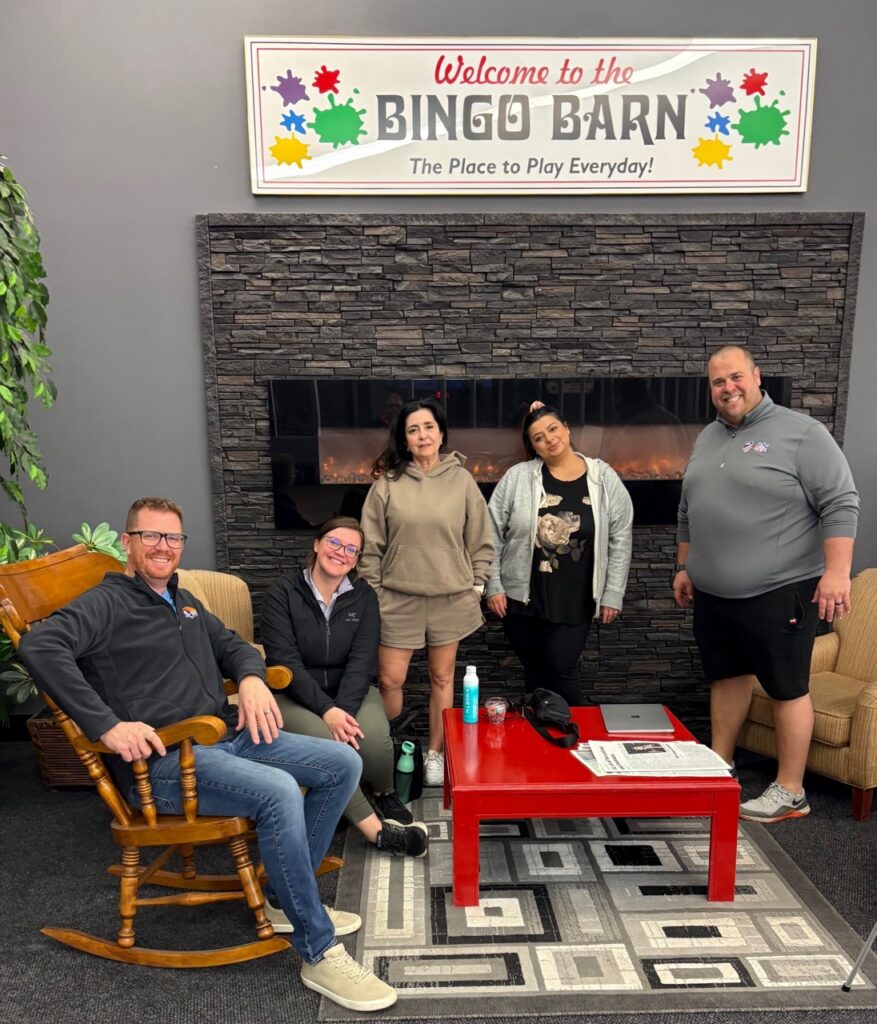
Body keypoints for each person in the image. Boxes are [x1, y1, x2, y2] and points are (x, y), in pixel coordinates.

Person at [18, 497, 397, 1013]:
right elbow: (40, 648)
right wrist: (105, 725)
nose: (163, 547)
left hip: (225, 737)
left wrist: (251, 678)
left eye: (173, 538)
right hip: (167, 762)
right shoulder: (106, 603)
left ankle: (286, 898)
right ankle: (318, 950)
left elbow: (236, 645)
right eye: (150, 536)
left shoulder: (184, 599)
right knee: (281, 790)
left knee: (343, 763)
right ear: (127, 543)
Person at [673, 346, 859, 824]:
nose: (728, 388)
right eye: (718, 382)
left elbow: (840, 503)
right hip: (714, 594)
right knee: (727, 677)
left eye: (735, 377)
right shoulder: (709, 437)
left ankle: (791, 790)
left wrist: (837, 573)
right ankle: (720, 764)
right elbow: (688, 509)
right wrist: (684, 566)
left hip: (780, 591)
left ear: (756, 377)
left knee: (786, 687)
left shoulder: (802, 433)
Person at [260, 516, 428, 858]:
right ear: (317, 544)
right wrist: (327, 711)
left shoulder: (364, 597)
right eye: (335, 543)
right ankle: (376, 830)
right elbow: (285, 663)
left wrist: (343, 711)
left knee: (376, 744)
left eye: (352, 549)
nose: (342, 553)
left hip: (350, 691)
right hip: (296, 694)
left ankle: (383, 791)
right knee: (330, 748)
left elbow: (363, 660)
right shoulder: (281, 593)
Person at [358, 399, 494, 787]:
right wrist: (376, 591)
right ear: (404, 437)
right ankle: (387, 747)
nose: (423, 435)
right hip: (398, 599)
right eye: (413, 429)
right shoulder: (387, 483)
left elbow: (480, 537)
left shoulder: (462, 480)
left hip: (450, 597)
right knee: (389, 681)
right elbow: (370, 544)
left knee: (441, 678)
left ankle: (435, 753)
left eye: (429, 427)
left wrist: (478, 583)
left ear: (441, 432)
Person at [485, 404, 634, 706]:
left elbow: (621, 536)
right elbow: (490, 533)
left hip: (577, 597)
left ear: (566, 428)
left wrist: (613, 593)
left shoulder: (602, 477)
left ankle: (580, 742)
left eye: (553, 429)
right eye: (538, 437)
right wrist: (494, 585)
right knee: (535, 672)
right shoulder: (518, 477)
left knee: (560, 669)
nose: (549, 439)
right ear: (533, 446)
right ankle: (539, 744)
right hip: (523, 598)